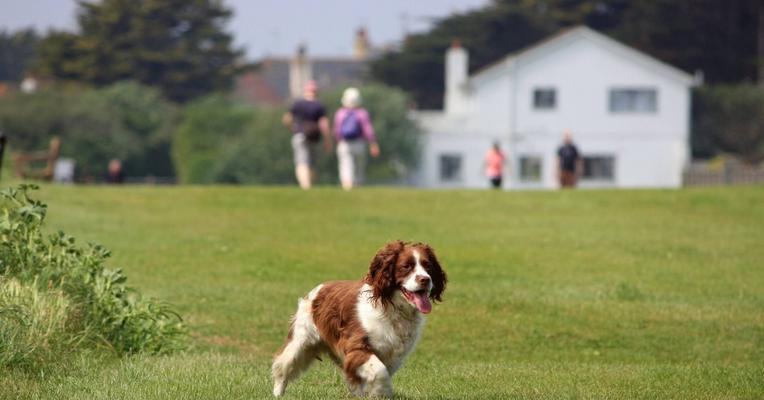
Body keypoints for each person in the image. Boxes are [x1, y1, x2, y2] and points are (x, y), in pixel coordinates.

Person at [283, 80, 332, 189]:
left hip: (299, 135)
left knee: (301, 161)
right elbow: (324, 124)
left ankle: (305, 186)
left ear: (305, 91)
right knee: (312, 163)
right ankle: (309, 185)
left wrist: (292, 129)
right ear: (316, 92)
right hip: (314, 137)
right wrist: (327, 140)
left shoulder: (298, 104)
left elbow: (286, 119)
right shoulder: (319, 105)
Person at [333, 87, 380, 190]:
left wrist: (338, 142)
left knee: (345, 166)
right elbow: (368, 130)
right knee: (359, 167)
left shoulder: (340, 113)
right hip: (359, 143)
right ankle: (357, 186)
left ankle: (347, 187)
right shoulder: (362, 113)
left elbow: (337, 131)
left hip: (344, 143)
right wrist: (373, 143)